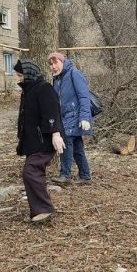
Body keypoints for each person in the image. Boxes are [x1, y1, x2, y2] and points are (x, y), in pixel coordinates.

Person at [15, 58, 66, 223]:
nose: (18, 78)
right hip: (33, 141)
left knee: (30, 172)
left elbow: (52, 112)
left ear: (28, 74)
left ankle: (44, 210)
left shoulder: (44, 89)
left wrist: (56, 134)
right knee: (34, 172)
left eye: (19, 75)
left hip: (45, 141)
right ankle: (41, 210)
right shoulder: (28, 90)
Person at [47, 52, 93, 184]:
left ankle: (65, 175)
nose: (53, 66)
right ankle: (85, 176)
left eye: (56, 63)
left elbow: (84, 97)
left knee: (65, 141)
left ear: (62, 62)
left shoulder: (74, 73)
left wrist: (84, 117)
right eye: (51, 64)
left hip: (75, 116)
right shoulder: (57, 78)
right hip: (64, 118)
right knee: (77, 146)